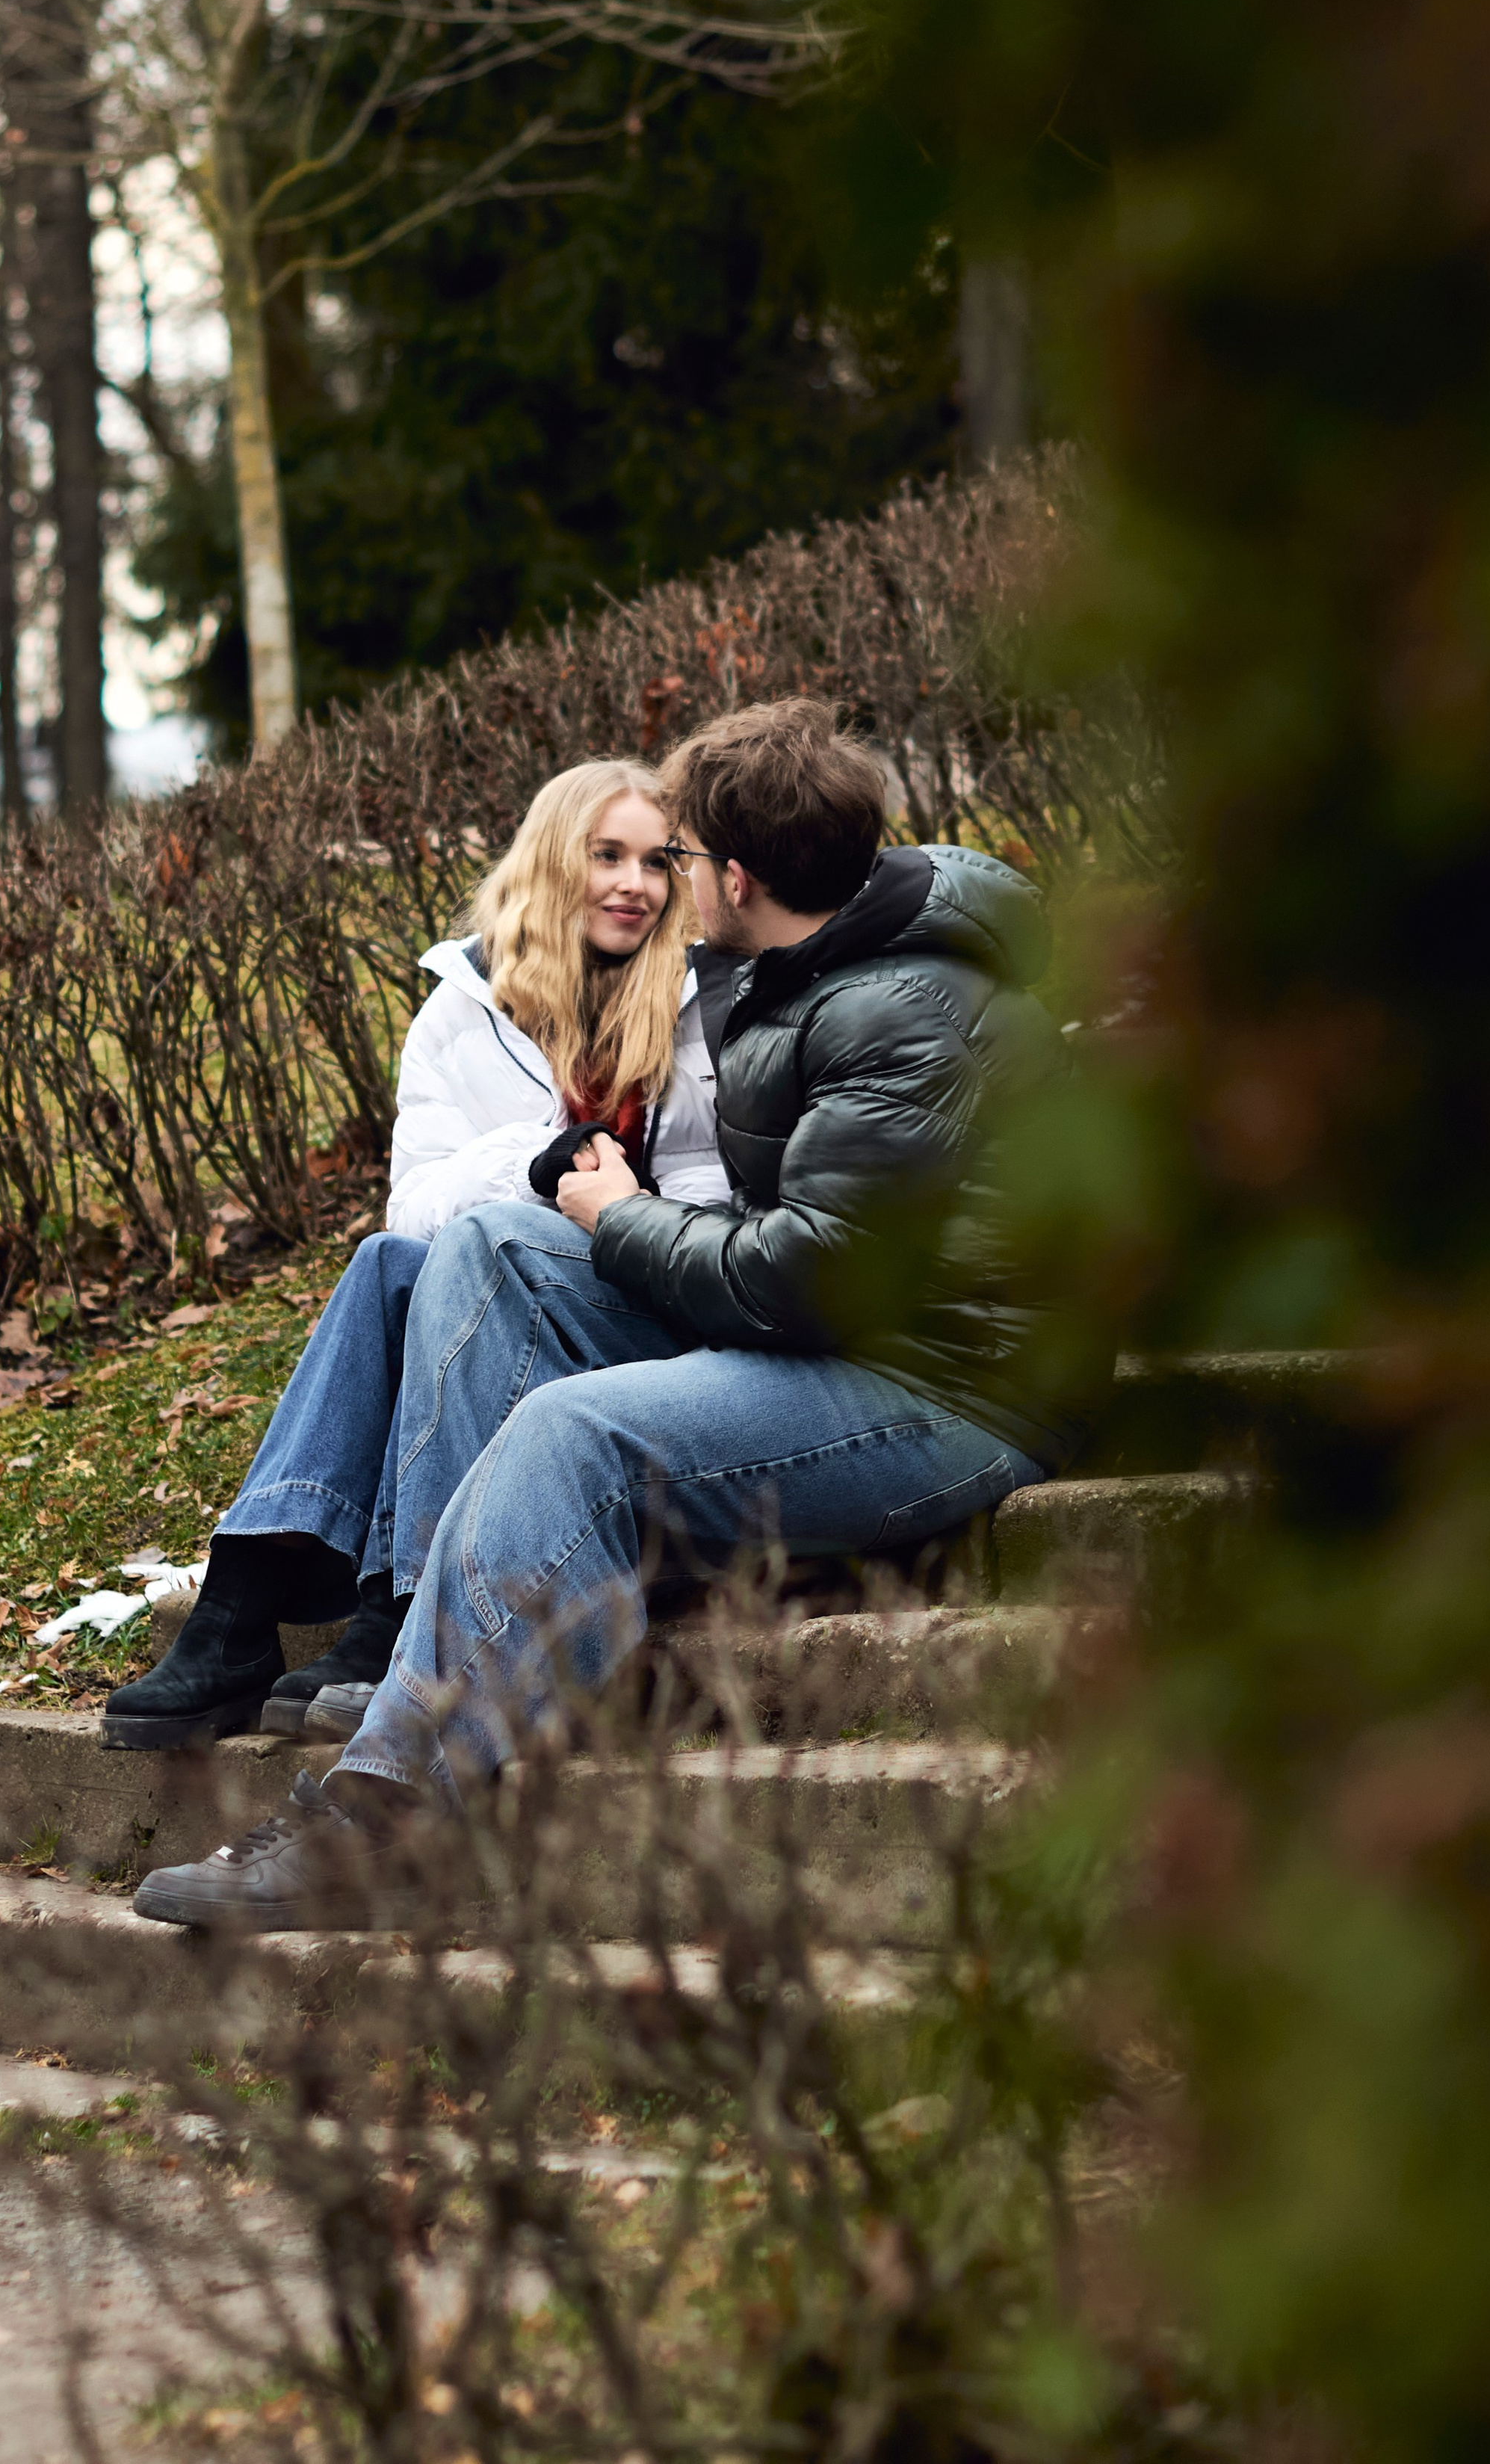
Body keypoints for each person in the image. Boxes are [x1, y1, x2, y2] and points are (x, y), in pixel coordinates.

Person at [132, 695, 1107, 1924]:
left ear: (737, 875)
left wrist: (620, 1216)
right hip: (844, 1338)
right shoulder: (796, 962)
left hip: (948, 1389)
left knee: (573, 1434)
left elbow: (809, 1277)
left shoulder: (896, 1010)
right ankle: (437, 1654)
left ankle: (381, 1824)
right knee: (489, 1245)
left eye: (681, 853)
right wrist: (591, 1206)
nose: (664, 878)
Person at [102, 759, 728, 1750]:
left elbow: (713, 1206)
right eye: (605, 855)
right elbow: (415, 1209)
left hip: (633, 1315)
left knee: (462, 1249)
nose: (633, 885)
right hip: (485, 1303)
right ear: (551, 862)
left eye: (656, 862)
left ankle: (390, 1618)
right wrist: (530, 1167)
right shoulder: (465, 1010)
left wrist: (615, 1207)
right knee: (388, 1265)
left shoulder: (699, 1007)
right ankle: (242, 1609)